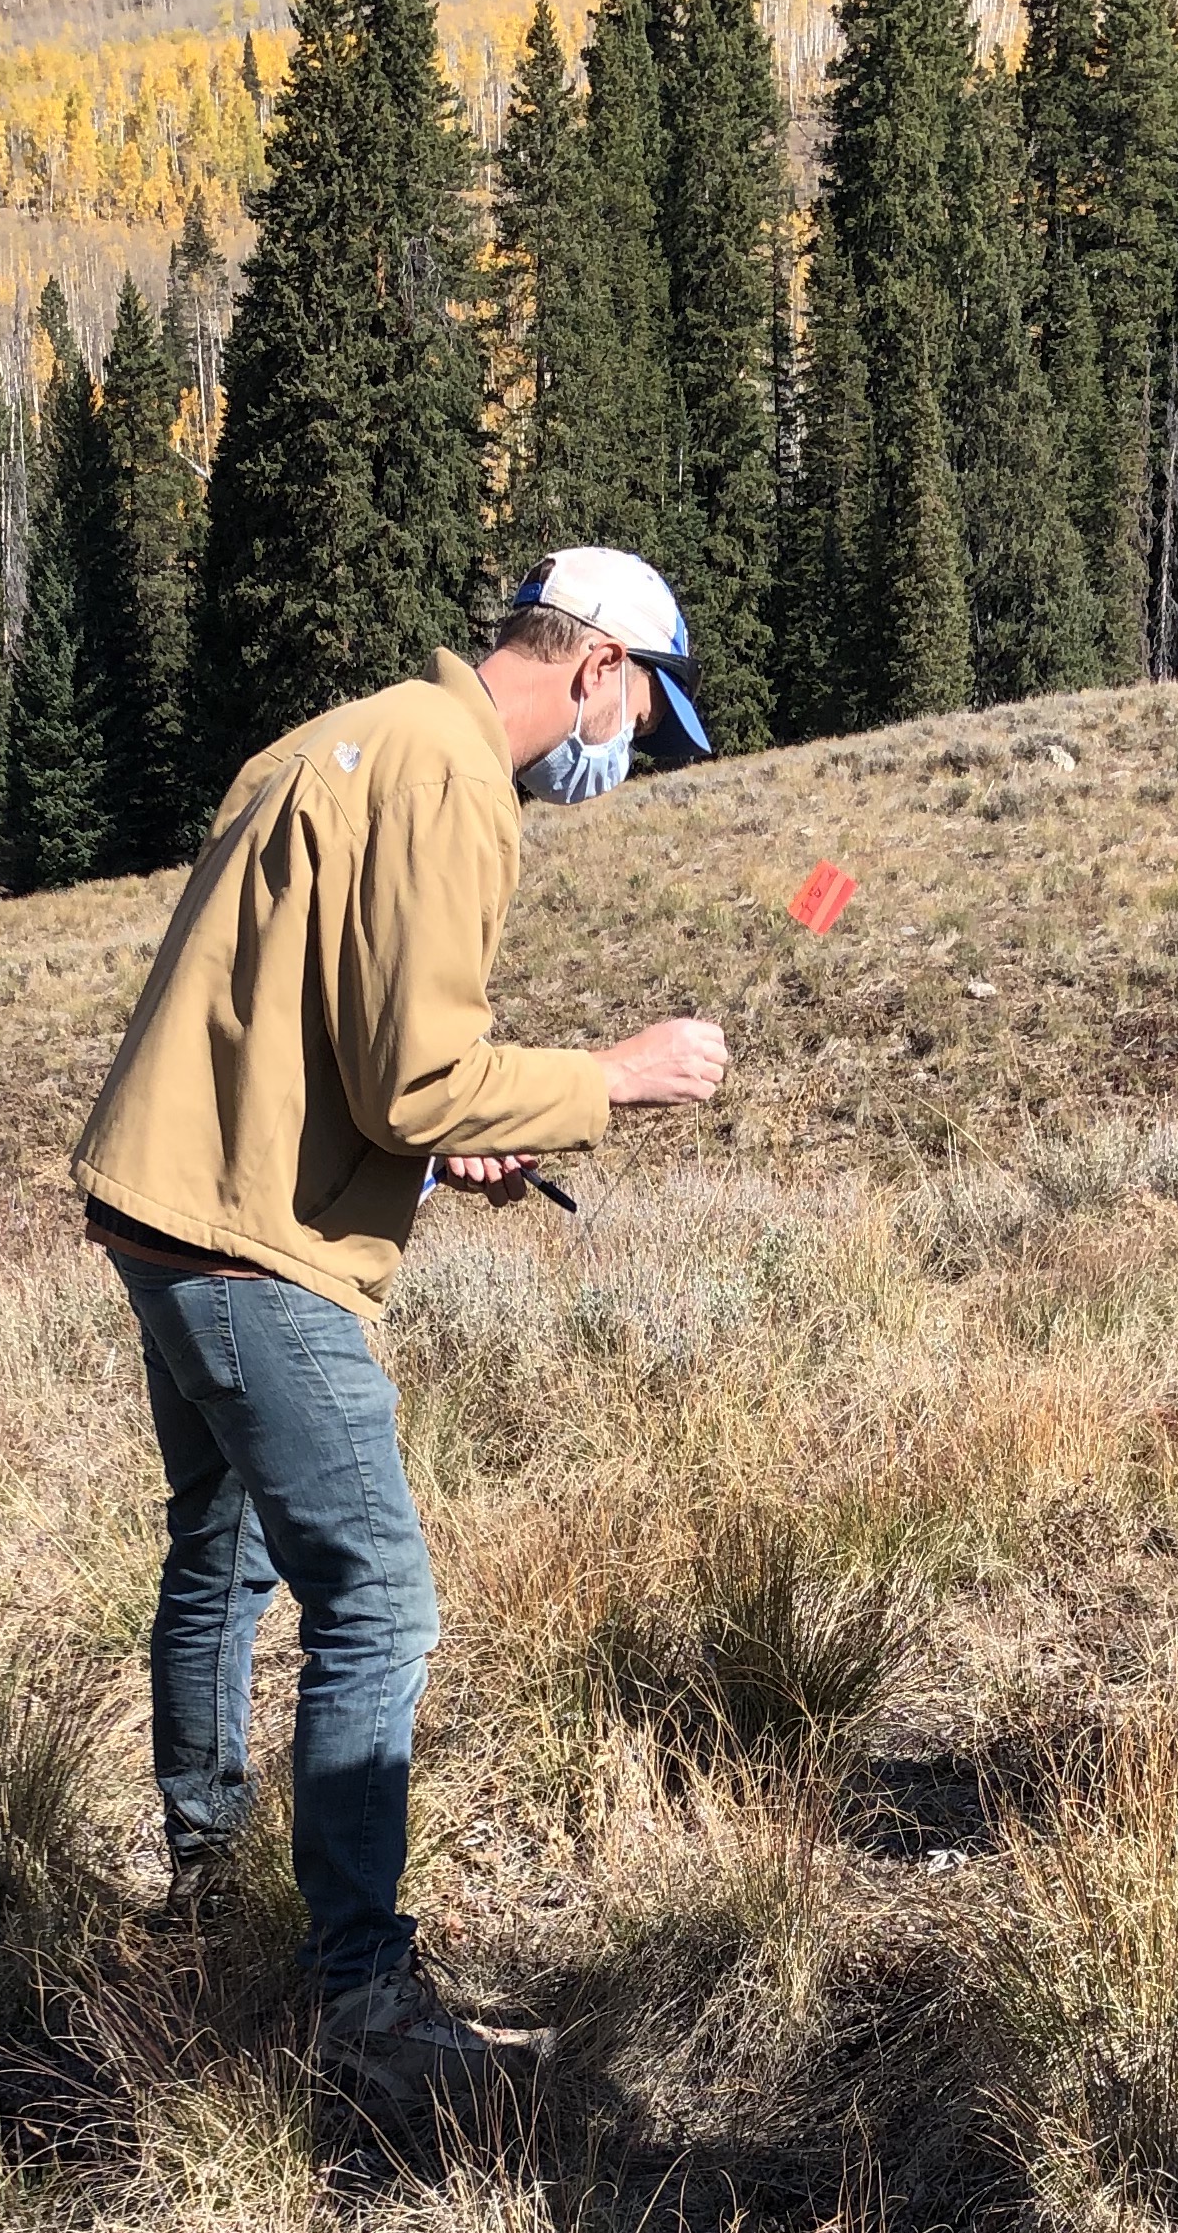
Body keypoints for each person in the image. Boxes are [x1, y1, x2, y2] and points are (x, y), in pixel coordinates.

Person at [73, 551, 729, 2098]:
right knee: (380, 1599)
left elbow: (319, 1033)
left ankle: (208, 1890)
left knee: (221, 1560)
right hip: (259, 1250)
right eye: (641, 713)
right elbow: (412, 1073)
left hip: (169, 1210)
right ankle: (362, 2000)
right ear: (595, 669)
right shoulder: (453, 785)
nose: (624, 753)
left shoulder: (342, 738)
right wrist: (608, 1078)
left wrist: (431, 1143)